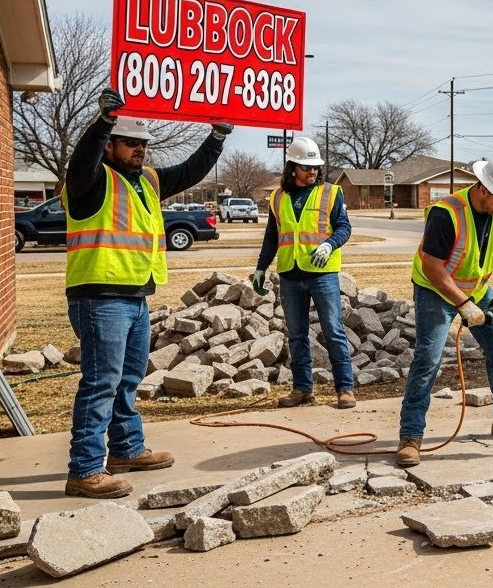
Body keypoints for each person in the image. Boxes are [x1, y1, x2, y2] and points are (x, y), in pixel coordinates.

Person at [62, 88, 231, 498]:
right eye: (130, 142)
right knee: (101, 381)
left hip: (136, 296)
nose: (140, 149)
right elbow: (82, 161)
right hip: (99, 296)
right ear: (110, 146)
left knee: (128, 379)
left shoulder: (149, 180)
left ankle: (125, 450)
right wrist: (102, 122)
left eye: (143, 143)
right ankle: (84, 470)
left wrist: (217, 138)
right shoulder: (91, 180)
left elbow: (189, 172)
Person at [396, 156, 493, 467]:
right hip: (435, 289)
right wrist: (463, 305)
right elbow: (433, 266)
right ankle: (410, 436)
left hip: (476, 289)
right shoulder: (446, 213)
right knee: (428, 357)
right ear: (483, 189)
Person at [253, 137, 357, 409]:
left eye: (315, 167)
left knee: (333, 331)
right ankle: (302, 389)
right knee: (297, 335)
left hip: (322, 274)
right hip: (289, 274)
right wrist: (261, 268)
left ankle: (344, 388)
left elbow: (344, 228)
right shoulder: (277, 197)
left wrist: (329, 244)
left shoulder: (331, 193)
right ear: (292, 168)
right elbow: (272, 236)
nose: (312, 172)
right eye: (305, 167)